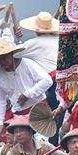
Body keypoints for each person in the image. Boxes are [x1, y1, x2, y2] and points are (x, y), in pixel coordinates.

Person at [18, 11, 64, 140]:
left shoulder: (34, 43)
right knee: (60, 116)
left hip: (52, 82)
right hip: (64, 80)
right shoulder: (58, 39)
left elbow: (14, 54)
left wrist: (15, 38)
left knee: (52, 117)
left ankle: (51, 146)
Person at [0, 37, 52, 122]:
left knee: (41, 134)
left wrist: (27, 94)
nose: (2, 61)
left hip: (39, 109)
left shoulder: (26, 63)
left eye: (4, 57)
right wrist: (0, 121)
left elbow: (47, 81)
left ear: (11, 54)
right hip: (19, 114)